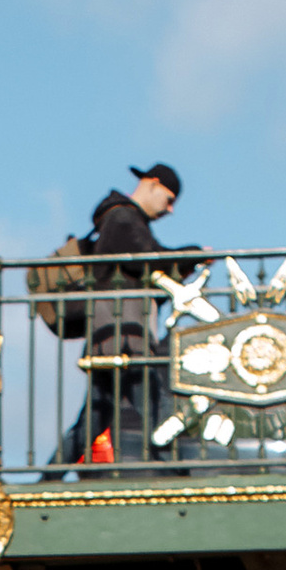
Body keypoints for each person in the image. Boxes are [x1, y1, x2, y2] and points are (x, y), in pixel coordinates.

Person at [50, 160, 182, 473]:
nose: (170, 209)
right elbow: (148, 257)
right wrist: (188, 256)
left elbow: (145, 264)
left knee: (91, 422)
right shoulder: (122, 218)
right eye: (170, 198)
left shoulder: (120, 219)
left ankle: (44, 484)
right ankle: (185, 484)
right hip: (123, 338)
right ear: (152, 183)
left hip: (110, 338)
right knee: (160, 414)